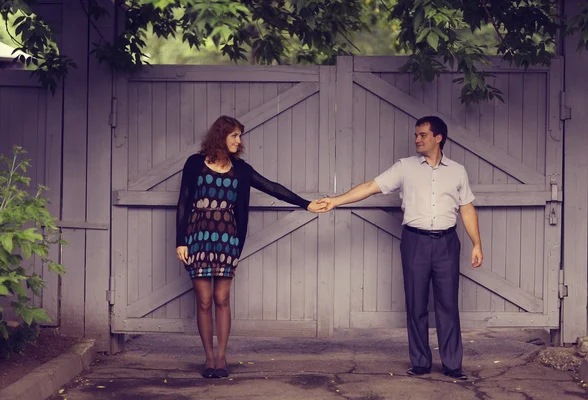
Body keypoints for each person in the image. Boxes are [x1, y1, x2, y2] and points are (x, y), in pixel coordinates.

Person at [317, 116, 483, 380]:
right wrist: (336, 201)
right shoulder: (404, 167)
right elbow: (371, 187)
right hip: (415, 242)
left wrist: (477, 244)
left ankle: (453, 365)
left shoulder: (457, 171)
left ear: (438, 138)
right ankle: (420, 363)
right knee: (416, 303)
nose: (417, 139)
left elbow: (466, 207)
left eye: (423, 135)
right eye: (416, 135)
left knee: (448, 305)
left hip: (447, 243)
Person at [176, 115, 325, 379]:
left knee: (222, 299)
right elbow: (184, 201)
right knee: (204, 300)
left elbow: (272, 187)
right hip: (197, 237)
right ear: (220, 136)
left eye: (240, 136)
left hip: (227, 240)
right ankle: (208, 359)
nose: (239, 141)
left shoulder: (241, 169)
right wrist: (180, 241)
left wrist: (306, 204)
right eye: (234, 135)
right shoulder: (195, 164)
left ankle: (221, 358)